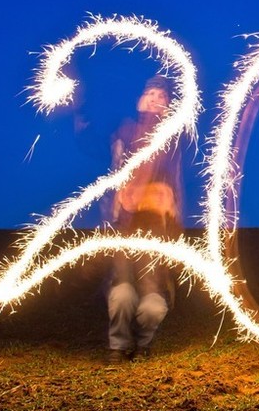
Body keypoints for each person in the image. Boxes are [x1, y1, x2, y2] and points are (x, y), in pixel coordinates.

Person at [105, 75, 185, 364]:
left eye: (160, 95)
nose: (153, 98)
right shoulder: (126, 130)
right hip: (125, 228)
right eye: (148, 92)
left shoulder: (172, 137)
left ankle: (143, 345)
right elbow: (118, 163)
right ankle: (118, 346)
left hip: (156, 232)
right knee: (122, 294)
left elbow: (165, 153)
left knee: (152, 301)